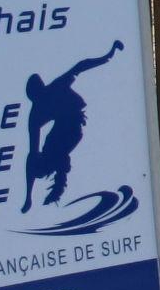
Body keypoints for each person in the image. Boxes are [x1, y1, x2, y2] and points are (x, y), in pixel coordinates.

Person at [20, 39, 124, 212]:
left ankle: (56, 184)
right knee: (43, 152)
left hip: (73, 124)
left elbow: (81, 66)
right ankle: (45, 191)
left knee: (51, 146)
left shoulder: (55, 88)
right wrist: (29, 195)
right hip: (64, 131)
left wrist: (108, 55)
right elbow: (33, 152)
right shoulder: (36, 114)